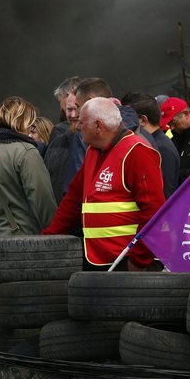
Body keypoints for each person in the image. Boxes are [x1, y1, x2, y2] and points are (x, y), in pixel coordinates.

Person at [43, 97, 164, 270]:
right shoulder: (93, 151)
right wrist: (48, 238)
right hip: (100, 259)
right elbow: (73, 200)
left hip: (128, 261)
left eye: (82, 122)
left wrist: (138, 261)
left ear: (98, 126)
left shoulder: (137, 151)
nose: (78, 126)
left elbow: (154, 211)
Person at [0, 97, 57, 236]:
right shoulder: (27, 153)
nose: (31, 126)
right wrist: (55, 231)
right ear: (24, 122)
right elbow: (42, 201)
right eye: (31, 122)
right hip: (25, 238)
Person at [123, 92, 180, 198]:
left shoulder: (162, 148)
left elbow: (164, 193)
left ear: (142, 120)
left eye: (127, 118)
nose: (122, 124)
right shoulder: (150, 143)